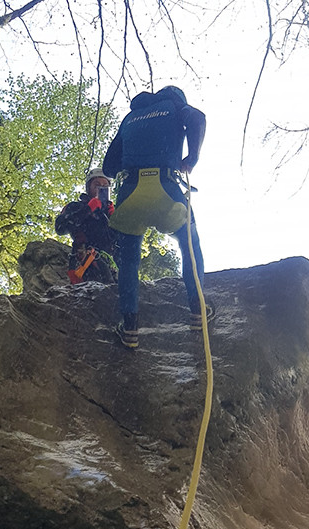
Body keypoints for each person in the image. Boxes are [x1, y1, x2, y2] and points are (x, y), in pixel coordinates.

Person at [102, 85, 210, 349]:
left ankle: (129, 328)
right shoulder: (175, 106)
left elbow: (108, 167)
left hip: (130, 195)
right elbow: (198, 118)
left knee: (129, 261)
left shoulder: (129, 118)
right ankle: (198, 311)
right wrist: (191, 158)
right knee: (189, 245)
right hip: (166, 188)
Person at [54, 168, 118, 285]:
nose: (100, 188)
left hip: (111, 266)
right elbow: (60, 227)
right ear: (89, 188)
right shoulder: (76, 207)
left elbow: (123, 242)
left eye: (104, 186)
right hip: (84, 262)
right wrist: (88, 209)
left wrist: (116, 220)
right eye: (96, 185)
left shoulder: (109, 213)